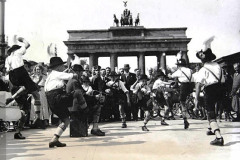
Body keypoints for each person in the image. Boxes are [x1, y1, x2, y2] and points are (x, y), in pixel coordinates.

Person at [5, 37, 42, 129]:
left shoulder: (8, 59)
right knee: (36, 94)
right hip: (20, 71)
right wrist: (22, 40)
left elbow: (6, 71)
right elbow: (28, 44)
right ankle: (37, 117)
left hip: (12, 75)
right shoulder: (18, 52)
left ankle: (13, 97)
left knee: (25, 89)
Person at [44, 57, 78, 148]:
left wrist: (66, 71)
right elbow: (74, 76)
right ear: (58, 67)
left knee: (65, 119)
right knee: (77, 95)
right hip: (57, 97)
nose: (64, 66)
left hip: (51, 98)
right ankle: (55, 138)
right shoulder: (57, 74)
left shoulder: (52, 75)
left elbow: (62, 75)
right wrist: (73, 72)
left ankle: (55, 139)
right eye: (62, 65)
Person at [195, 48, 225, 146]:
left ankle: (218, 137)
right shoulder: (218, 66)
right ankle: (210, 128)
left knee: (210, 112)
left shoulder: (203, 69)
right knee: (215, 109)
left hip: (210, 90)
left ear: (202, 60)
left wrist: (196, 100)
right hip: (221, 88)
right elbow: (223, 80)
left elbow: (198, 85)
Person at [169, 59, 193, 129]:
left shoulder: (179, 71)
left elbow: (172, 76)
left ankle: (185, 119)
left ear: (179, 65)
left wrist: (169, 75)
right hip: (191, 86)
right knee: (186, 100)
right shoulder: (190, 70)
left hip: (183, 86)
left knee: (182, 102)